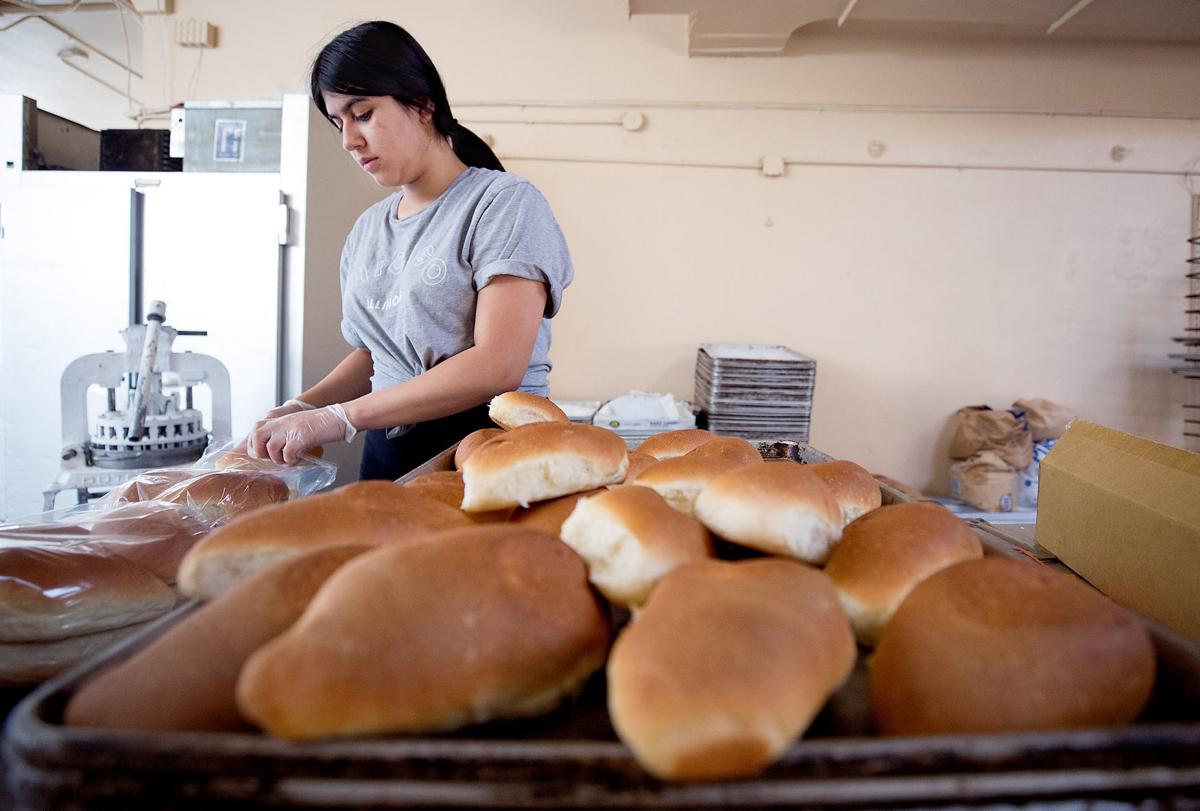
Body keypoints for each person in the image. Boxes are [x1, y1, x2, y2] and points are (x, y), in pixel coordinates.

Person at [247, 21, 573, 480]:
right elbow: (375, 355)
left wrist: (342, 418)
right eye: (338, 123)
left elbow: (498, 365)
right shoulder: (368, 229)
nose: (348, 140)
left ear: (421, 103)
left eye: (362, 114)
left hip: (486, 445)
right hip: (386, 446)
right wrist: (304, 405)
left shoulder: (503, 203)